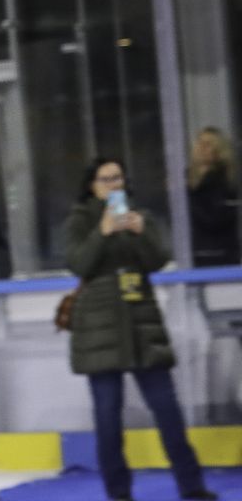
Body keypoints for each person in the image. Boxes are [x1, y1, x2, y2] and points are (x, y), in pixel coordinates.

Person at [63, 157, 217, 501]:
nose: (113, 185)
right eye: (105, 179)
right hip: (100, 328)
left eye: (117, 178)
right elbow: (78, 263)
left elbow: (157, 259)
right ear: (92, 185)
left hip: (142, 322)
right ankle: (119, 493)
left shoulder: (139, 216)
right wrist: (102, 232)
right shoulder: (80, 220)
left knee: (167, 409)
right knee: (108, 417)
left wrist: (141, 233)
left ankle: (191, 486)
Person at [187, 127, 239, 267]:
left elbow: (214, 219)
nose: (201, 148)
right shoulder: (186, 179)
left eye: (208, 144)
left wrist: (186, 196)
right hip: (192, 253)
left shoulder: (224, 181)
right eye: (199, 142)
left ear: (218, 150)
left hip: (220, 254)